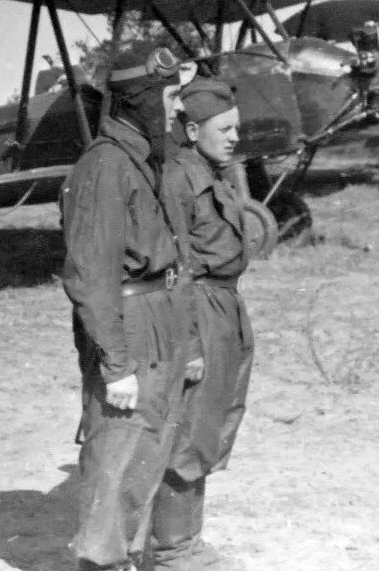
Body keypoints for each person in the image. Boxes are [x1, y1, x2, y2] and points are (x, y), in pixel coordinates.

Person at [59, 45, 198, 571]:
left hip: (159, 316)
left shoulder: (147, 162)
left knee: (150, 451)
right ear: (141, 101)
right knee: (117, 452)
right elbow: (91, 276)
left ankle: (125, 557)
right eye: (170, 96)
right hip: (130, 321)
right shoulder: (104, 167)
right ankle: (101, 562)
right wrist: (115, 364)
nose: (180, 109)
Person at [151, 77, 253, 571]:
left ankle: (188, 539)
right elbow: (176, 267)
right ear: (192, 131)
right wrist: (189, 343)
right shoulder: (179, 177)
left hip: (226, 307)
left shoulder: (212, 172)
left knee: (212, 421)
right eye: (224, 129)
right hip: (200, 309)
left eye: (237, 128)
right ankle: (173, 549)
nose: (235, 137)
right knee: (189, 427)